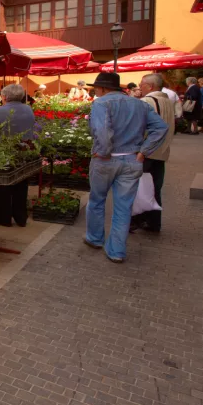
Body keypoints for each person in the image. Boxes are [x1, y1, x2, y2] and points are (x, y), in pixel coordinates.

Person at [85, 72, 168, 263]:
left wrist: (103, 151)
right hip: (132, 160)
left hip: (106, 160)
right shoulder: (139, 103)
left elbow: (102, 131)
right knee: (123, 207)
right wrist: (144, 151)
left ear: (104, 88)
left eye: (96, 88)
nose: (95, 91)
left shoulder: (101, 103)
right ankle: (116, 251)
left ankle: (95, 238)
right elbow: (161, 128)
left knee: (97, 200)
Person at [0, 84, 36, 228]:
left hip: (3, 152)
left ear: (5, 97)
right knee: (21, 184)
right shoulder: (28, 108)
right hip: (24, 151)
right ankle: (20, 217)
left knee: (2, 185)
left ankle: (4, 219)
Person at [130, 73, 175, 233]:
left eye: (141, 83)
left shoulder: (147, 101)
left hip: (146, 151)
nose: (139, 86)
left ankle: (135, 220)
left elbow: (139, 128)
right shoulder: (167, 101)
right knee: (154, 188)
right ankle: (154, 223)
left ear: (150, 86)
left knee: (139, 187)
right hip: (161, 152)